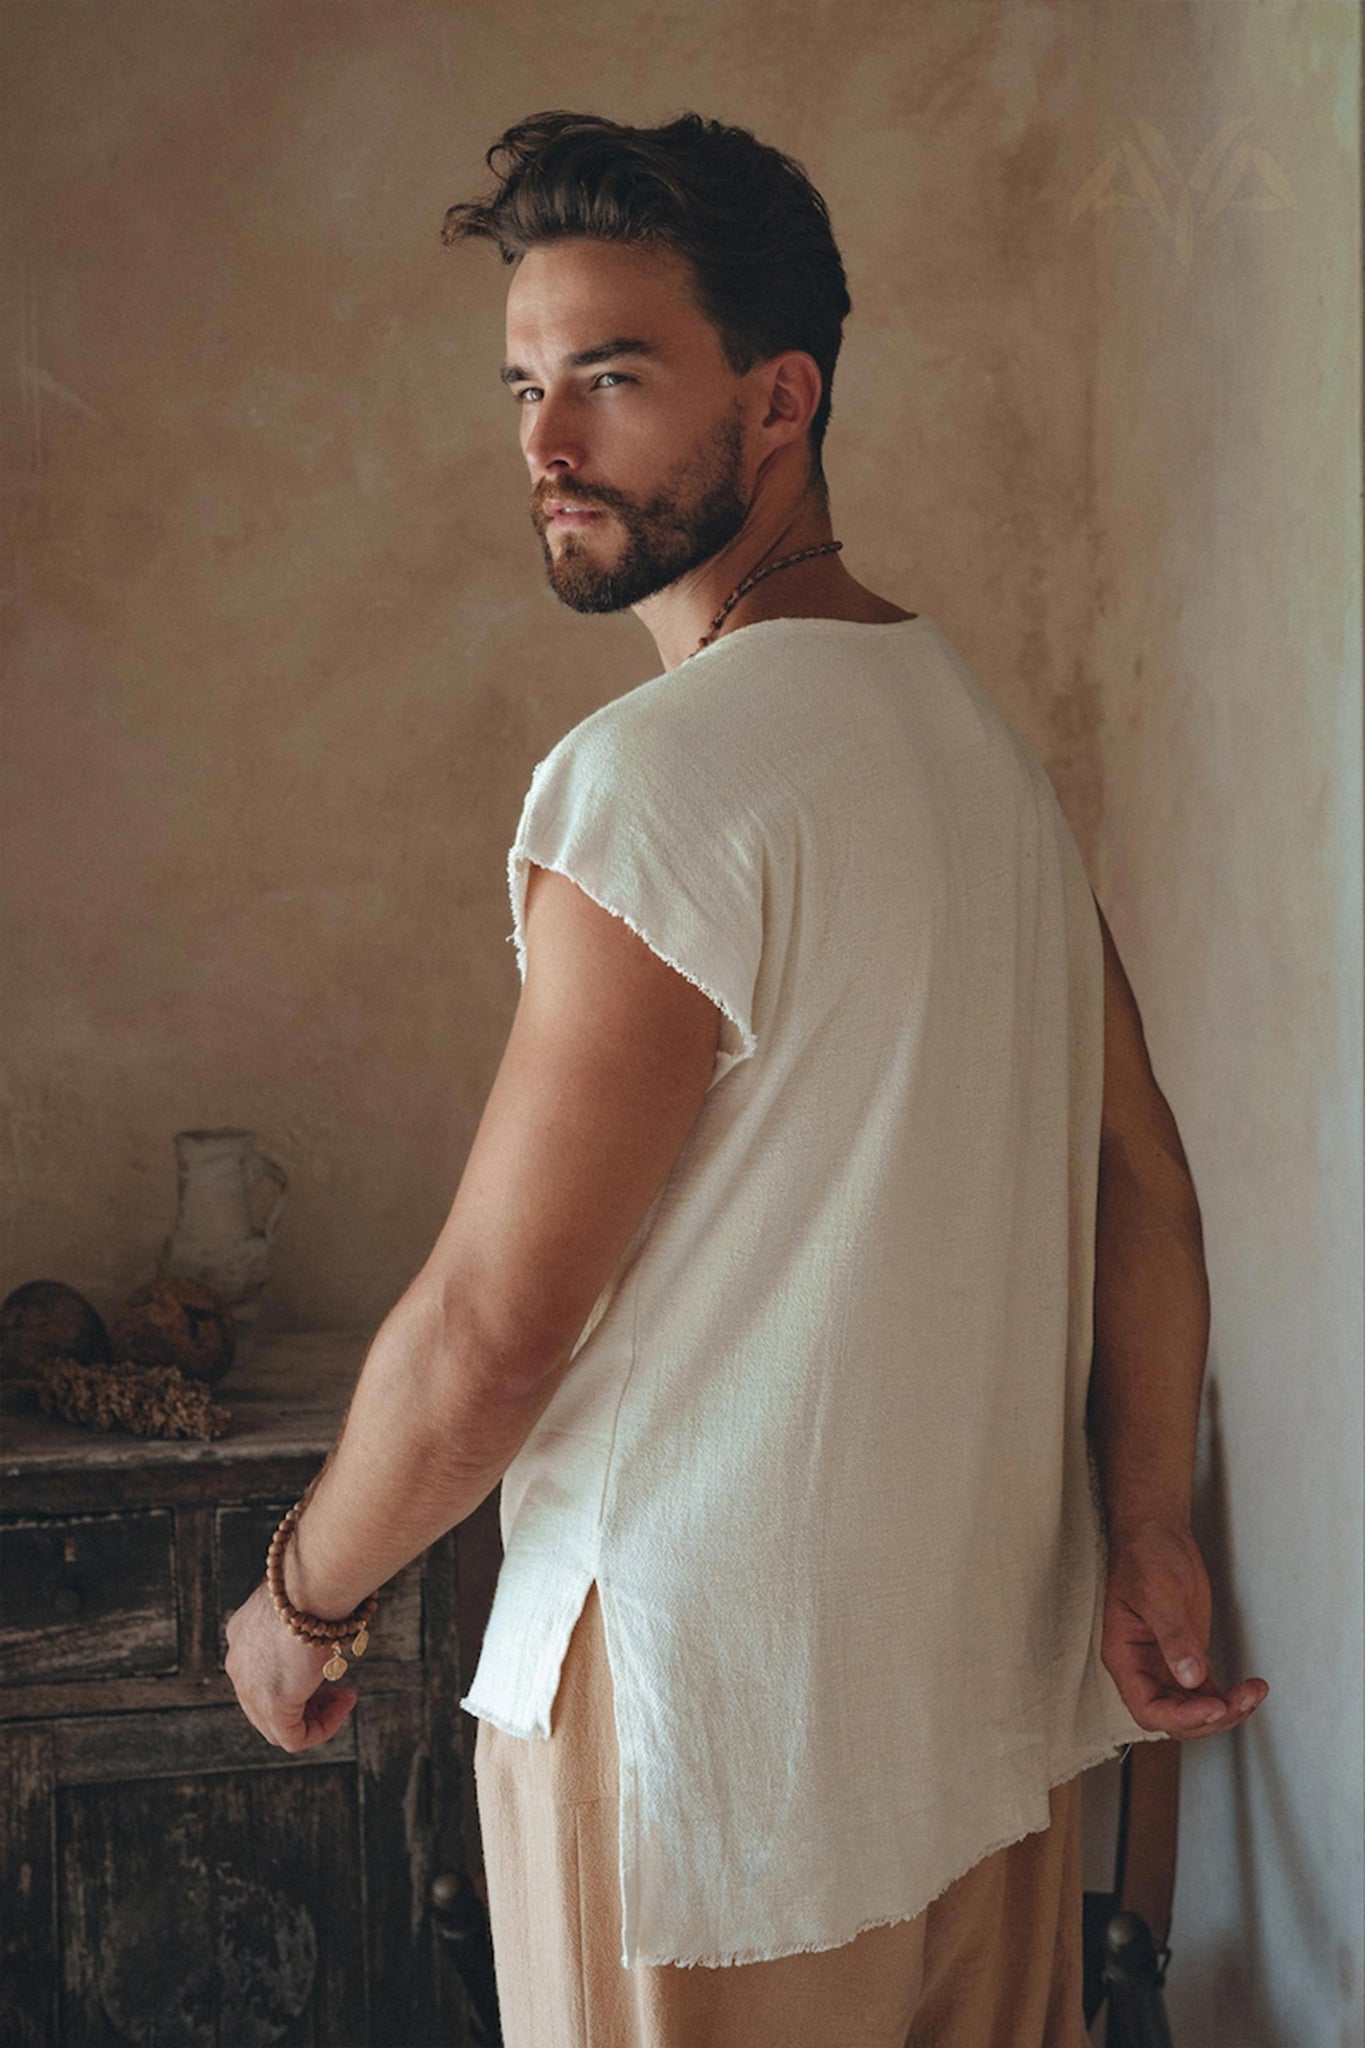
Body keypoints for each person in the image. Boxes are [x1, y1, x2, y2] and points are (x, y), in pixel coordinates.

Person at [226, 110, 1269, 2046]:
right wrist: (1140, 1520)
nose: (545, 443)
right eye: (525, 385)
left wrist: (300, 1594)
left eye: (611, 379)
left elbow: (492, 1328)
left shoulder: (653, 784)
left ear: (778, 398)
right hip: (977, 1720)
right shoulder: (974, 748)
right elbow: (1143, 1180)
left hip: (699, 1750)